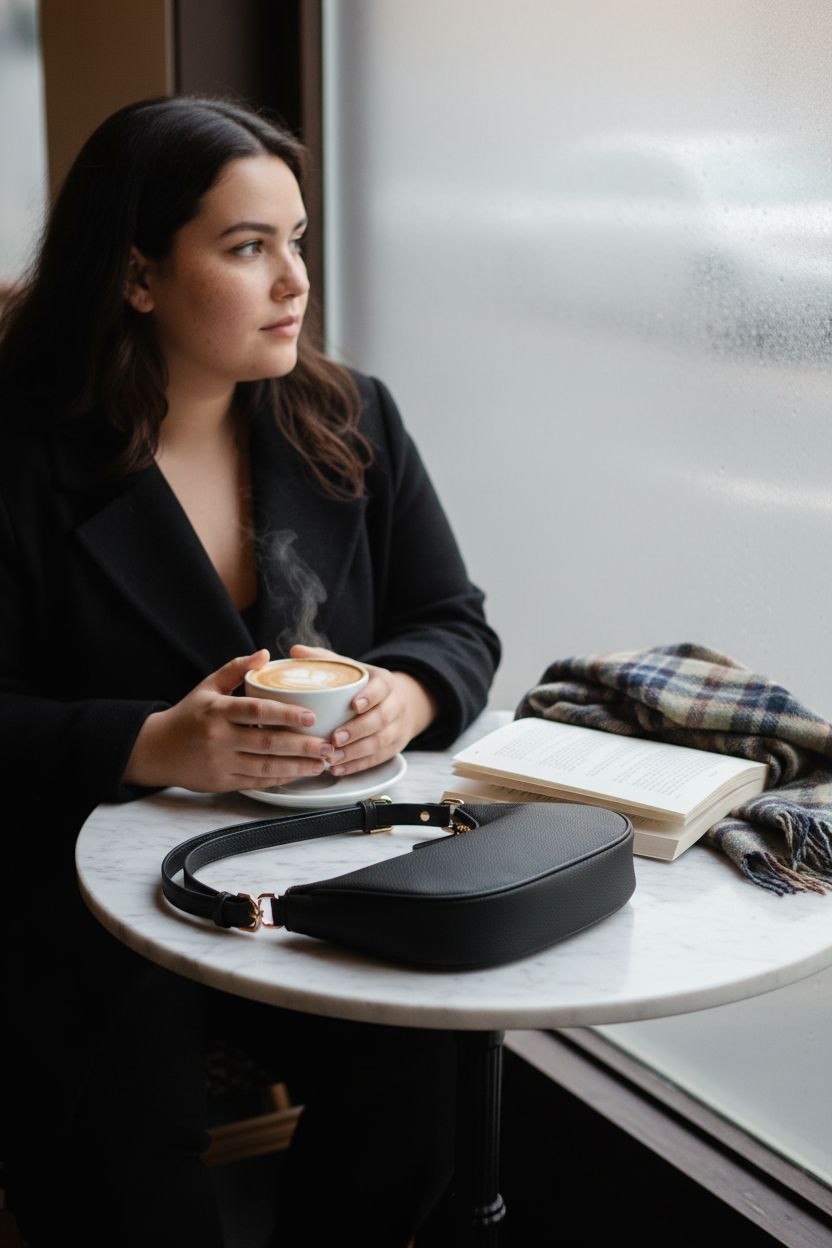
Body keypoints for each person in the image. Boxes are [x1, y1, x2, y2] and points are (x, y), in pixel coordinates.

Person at [0, 96, 500, 1246]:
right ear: (136, 276)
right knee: (121, 1143)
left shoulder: (350, 419)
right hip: (73, 898)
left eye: (298, 240)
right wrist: (146, 743)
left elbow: (453, 622)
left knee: (420, 1076)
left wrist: (403, 699)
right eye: (247, 248)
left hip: (311, 866)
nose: (294, 282)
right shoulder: (22, 458)